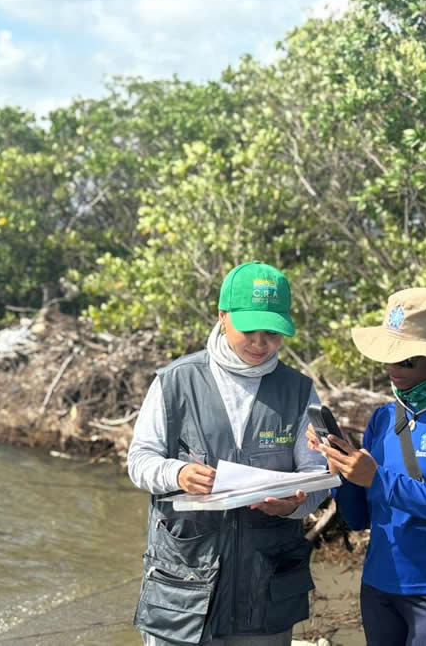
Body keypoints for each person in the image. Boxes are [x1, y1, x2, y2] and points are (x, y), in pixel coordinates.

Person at [128, 261, 328, 646]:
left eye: (271, 332)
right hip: (184, 590)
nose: (259, 343)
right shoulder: (174, 382)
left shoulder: (300, 391)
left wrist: (297, 505)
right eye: (248, 330)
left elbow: (317, 473)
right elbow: (140, 461)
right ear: (222, 316)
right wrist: (177, 474)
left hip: (267, 589)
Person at [308, 287, 426, 646]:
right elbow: (359, 518)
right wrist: (341, 467)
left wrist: (379, 479)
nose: (392, 369)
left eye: (407, 360)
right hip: (380, 589)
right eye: (389, 357)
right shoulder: (384, 417)